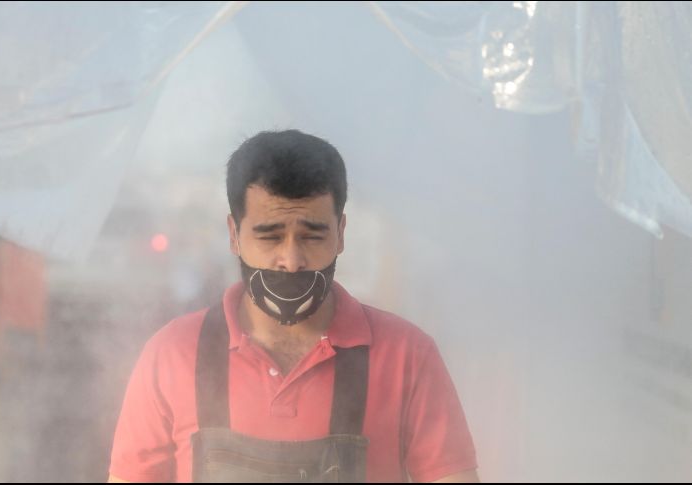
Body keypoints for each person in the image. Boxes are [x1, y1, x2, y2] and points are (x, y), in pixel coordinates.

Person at [108, 130, 479, 483]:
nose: (291, 260)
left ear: (341, 233)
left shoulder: (407, 356)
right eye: (270, 236)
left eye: (311, 236)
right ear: (234, 235)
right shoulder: (172, 354)